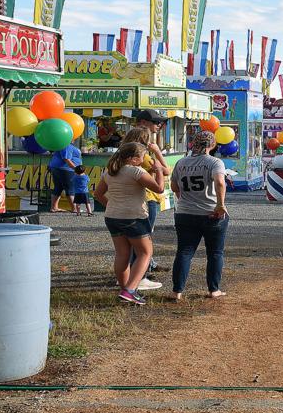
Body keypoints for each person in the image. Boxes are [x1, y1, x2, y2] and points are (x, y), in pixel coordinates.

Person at [93, 141, 164, 305]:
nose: (143, 159)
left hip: (112, 216)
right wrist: (159, 170)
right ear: (132, 158)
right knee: (145, 253)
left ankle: (125, 289)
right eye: (141, 156)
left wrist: (111, 205)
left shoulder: (110, 172)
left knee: (122, 254)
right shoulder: (136, 171)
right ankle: (130, 290)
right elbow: (159, 189)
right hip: (133, 216)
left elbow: (98, 193)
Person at [169, 130, 229, 301]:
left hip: (185, 213)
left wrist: (185, 197)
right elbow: (219, 182)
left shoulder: (181, 162)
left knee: (184, 252)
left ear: (194, 143)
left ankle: (177, 291)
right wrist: (220, 204)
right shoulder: (215, 162)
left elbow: (174, 186)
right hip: (211, 213)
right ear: (212, 145)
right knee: (215, 253)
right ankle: (213, 289)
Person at [122, 121, 170, 288]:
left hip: (125, 203)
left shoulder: (122, 156)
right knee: (143, 241)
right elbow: (166, 170)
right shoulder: (144, 157)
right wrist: (157, 152)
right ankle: (140, 277)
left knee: (127, 243)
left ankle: (126, 275)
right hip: (147, 198)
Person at [48, 133, 81, 212]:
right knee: (70, 188)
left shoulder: (64, 145)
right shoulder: (67, 146)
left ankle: (54, 207)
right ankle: (74, 209)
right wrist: (76, 168)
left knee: (58, 188)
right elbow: (66, 159)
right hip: (65, 169)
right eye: (72, 137)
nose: (74, 139)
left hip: (58, 168)